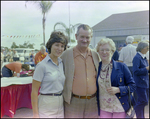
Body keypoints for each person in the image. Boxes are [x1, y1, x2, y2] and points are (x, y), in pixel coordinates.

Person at [61, 24, 100, 118]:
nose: (85, 40)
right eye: (82, 37)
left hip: (93, 102)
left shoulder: (95, 55)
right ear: (76, 36)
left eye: (87, 37)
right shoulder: (66, 55)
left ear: (91, 38)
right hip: (73, 102)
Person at [95, 38, 136, 118]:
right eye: (101, 50)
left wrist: (119, 89)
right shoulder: (96, 67)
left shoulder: (121, 66)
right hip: (104, 107)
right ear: (98, 51)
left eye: (107, 50)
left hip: (119, 107)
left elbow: (133, 86)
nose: (104, 52)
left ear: (112, 51)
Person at [31, 31, 68, 118]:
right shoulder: (41, 66)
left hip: (60, 104)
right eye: (57, 45)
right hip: (46, 104)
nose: (59, 48)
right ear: (50, 45)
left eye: (62, 46)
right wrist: (35, 114)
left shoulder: (62, 63)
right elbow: (34, 91)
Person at [132, 41, 149, 118]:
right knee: (143, 101)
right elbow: (135, 71)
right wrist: (146, 68)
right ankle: (131, 114)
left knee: (142, 102)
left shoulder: (143, 57)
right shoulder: (137, 58)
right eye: (147, 48)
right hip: (140, 83)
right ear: (142, 48)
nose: (148, 49)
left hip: (144, 83)